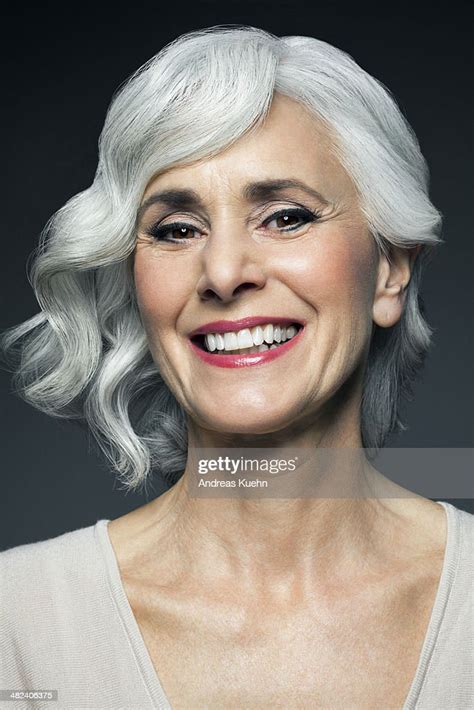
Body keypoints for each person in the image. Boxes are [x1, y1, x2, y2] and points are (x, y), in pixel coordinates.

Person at [0, 25, 472, 710]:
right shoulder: (16, 622)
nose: (222, 272)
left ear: (390, 271)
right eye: (176, 229)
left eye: (284, 217)